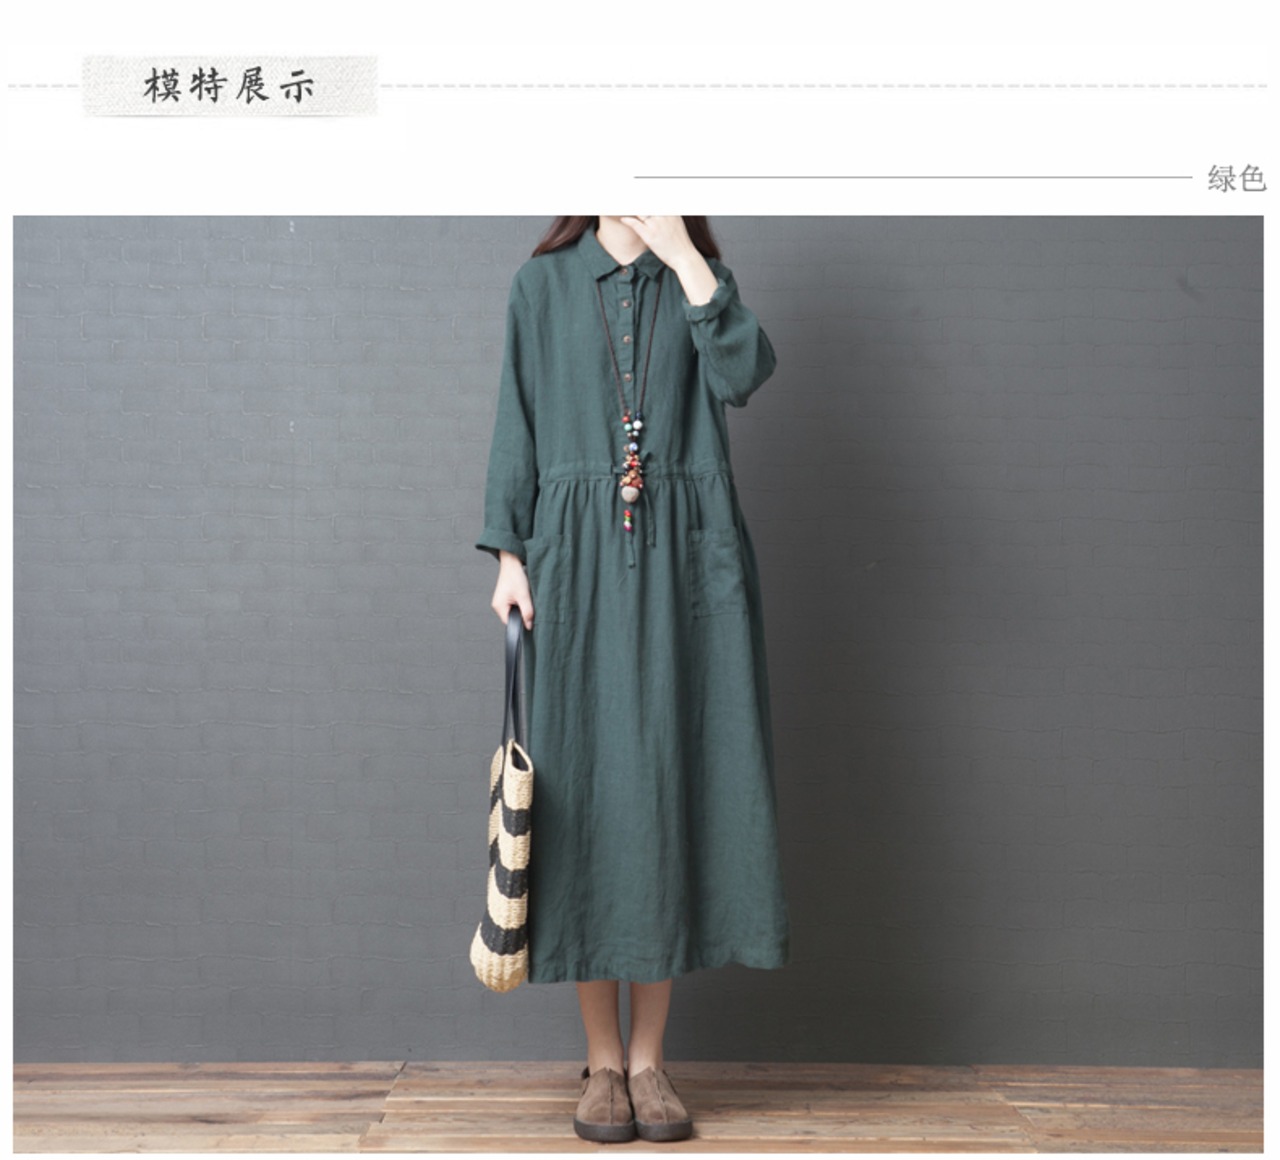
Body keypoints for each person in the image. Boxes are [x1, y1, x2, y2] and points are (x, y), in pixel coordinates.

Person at [476, 216, 789, 1143]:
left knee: (666, 798)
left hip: (689, 565)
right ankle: (603, 1061)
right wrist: (509, 554)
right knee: (586, 803)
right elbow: (516, 417)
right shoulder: (539, 287)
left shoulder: (701, 279)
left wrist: (688, 260)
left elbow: (743, 374)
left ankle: (650, 1063)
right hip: (573, 564)